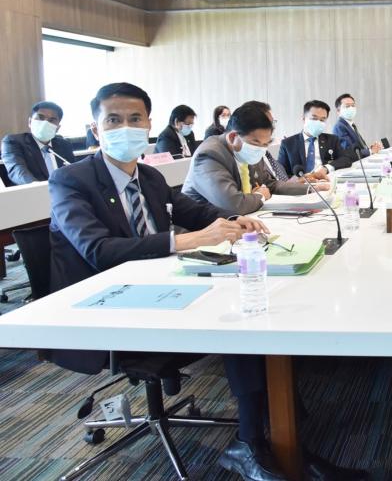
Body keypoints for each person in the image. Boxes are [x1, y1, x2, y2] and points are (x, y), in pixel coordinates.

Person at [46, 83, 287, 481]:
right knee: (235, 319)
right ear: (95, 128)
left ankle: (280, 427)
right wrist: (188, 240)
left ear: (148, 125)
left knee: (249, 304)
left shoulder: (150, 177)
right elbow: (99, 251)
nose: (125, 127)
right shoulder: (70, 181)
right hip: (106, 307)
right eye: (113, 120)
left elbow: (193, 211)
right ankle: (252, 440)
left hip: (160, 289)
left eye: (135, 119)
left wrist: (232, 221)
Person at [182, 103, 315, 216]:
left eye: (265, 144)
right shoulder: (209, 155)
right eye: (256, 143)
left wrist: (311, 189)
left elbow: (270, 184)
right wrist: (261, 196)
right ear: (233, 137)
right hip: (204, 228)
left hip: (245, 218)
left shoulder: (250, 151)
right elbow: (234, 205)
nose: (261, 149)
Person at [2, 100, 75, 185]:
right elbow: (17, 171)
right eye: (41, 118)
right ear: (30, 122)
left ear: (58, 128)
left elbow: (73, 173)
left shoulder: (65, 145)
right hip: (32, 191)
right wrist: (39, 188)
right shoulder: (13, 142)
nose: (45, 123)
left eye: (51, 120)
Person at [278, 100, 353, 178]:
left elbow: (346, 159)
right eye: (314, 118)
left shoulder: (332, 140)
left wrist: (326, 168)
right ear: (303, 119)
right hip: (301, 183)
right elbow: (280, 173)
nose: (318, 122)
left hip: (326, 180)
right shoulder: (288, 144)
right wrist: (297, 180)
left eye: (322, 120)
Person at [332, 93, 382, 159]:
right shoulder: (339, 126)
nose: (351, 108)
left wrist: (370, 149)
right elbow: (348, 151)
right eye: (347, 106)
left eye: (353, 105)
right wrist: (370, 151)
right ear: (338, 111)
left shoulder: (351, 125)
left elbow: (357, 147)